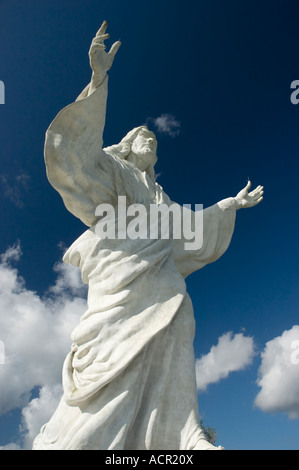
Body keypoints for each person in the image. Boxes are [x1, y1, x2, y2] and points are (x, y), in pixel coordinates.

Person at [32, 22, 263, 450]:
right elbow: (77, 157)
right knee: (112, 364)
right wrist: (99, 79)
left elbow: (189, 225)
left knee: (176, 329)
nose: (151, 139)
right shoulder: (114, 170)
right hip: (119, 283)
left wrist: (231, 204)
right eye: (145, 135)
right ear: (130, 143)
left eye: (155, 137)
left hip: (164, 283)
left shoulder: (161, 197)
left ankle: (185, 434)